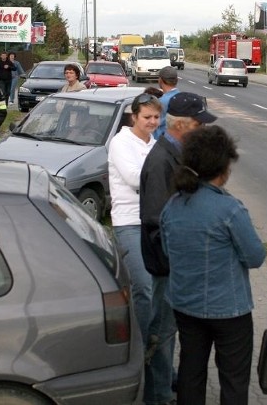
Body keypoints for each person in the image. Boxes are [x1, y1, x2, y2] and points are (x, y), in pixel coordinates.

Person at [160, 125, 266, 405]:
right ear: (223, 167)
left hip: (185, 305)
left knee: (191, 372)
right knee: (233, 378)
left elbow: (167, 251)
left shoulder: (173, 205)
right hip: (229, 310)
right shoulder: (230, 209)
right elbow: (255, 257)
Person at [139, 92, 217, 405]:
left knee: (168, 329)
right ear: (184, 126)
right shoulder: (161, 161)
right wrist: (183, 260)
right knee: (162, 330)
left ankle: (163, 384)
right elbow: (157, 221)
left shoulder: (177, 154)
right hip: (168, 265)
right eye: (201, 124)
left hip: (175, 264)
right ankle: (156, 396)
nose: (204, 130)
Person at [108, 92, 160, 352]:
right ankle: (137, 348)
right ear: (134, 116)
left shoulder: (154, 144)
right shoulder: (121, 142)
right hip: (128, 222)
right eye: (147, 117)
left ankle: (154, 350)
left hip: (153, 222)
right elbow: (133, 178)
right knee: (144, 288)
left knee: (161, 293)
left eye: (156, 117)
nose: (152, 122)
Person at [153, 66, 180, 139]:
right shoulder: (181, 97)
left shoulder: (161, 102)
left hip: (161, 141)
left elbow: (154, 125)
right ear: (177, 80)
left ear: (160, 80)